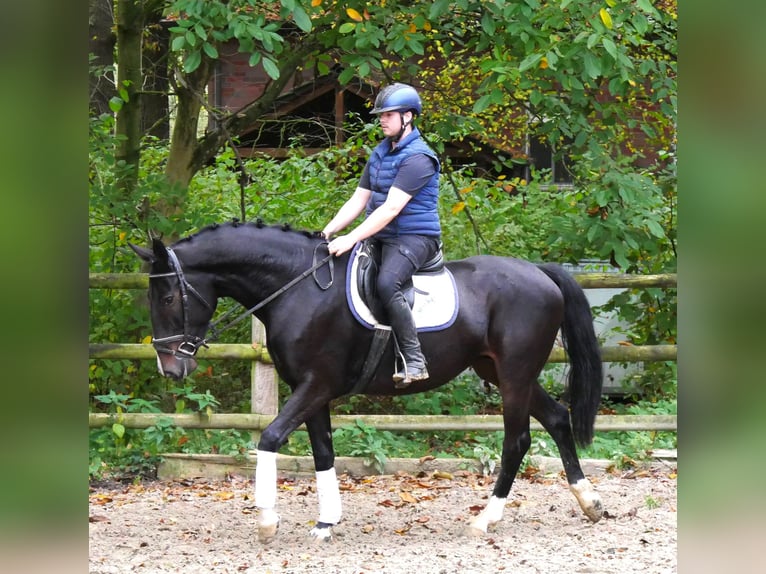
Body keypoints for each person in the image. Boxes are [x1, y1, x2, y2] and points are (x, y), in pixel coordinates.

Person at [322, 82, 441, 388]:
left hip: (415, 237)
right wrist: (331, 229)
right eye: (381, 115)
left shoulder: (419, 158)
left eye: (389, 114)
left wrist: (351, 239)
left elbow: (390, 209)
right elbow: (359, 199)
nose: (382, 120)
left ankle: (414, 360)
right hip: (382, 235)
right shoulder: (380, 153)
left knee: (388, 283)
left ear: (409, 117)